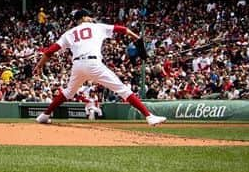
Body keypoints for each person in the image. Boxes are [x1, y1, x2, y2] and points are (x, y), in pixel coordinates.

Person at [32, 9, 166, 126]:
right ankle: (149, 116)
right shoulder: (97, 27)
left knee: (68, 92)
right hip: (93, 64)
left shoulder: (69, 33)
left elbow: (49, 51)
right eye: (88, 16)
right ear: (83, 18)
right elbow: (123, 29)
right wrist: (137, 39)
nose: (91, 18)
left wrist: (39, 65)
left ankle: (44, 115)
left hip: (78, 65)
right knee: (122, 89)